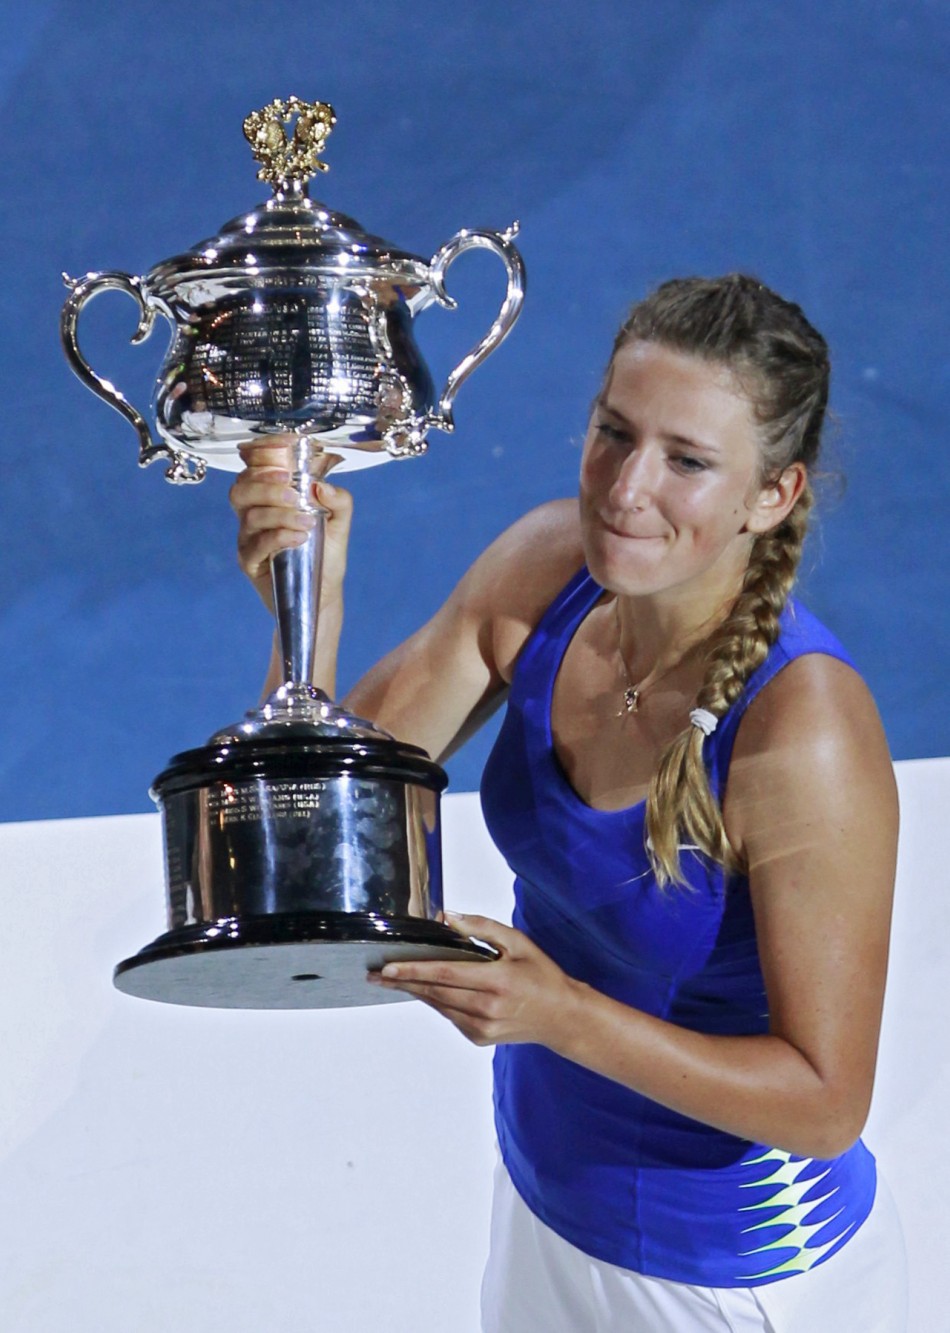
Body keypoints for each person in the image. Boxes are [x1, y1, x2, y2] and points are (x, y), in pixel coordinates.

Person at [231, 274, 907, 1332]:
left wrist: (560, 1016)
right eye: (612, 432)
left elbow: (825, 1103)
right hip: (546, 1202)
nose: (624, 489)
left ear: (770, 495)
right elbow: (316, 831)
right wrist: (305, 599)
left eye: (686, 460)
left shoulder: (802, 728)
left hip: (739, 1282)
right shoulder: (546, 569)